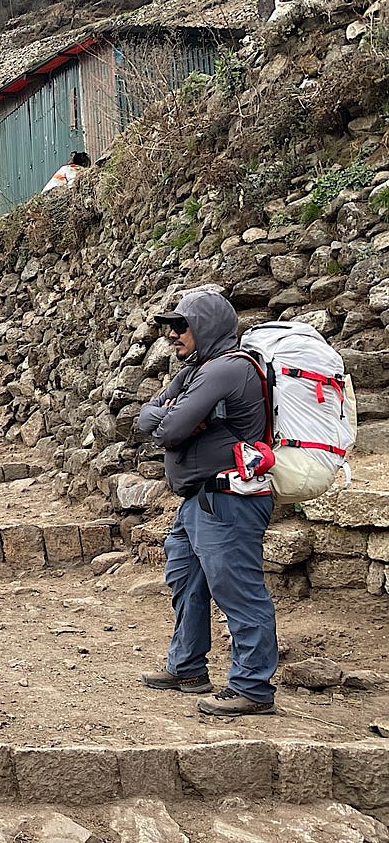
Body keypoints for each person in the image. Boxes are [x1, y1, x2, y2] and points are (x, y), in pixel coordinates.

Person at [134, 291, 278, 716]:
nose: (172, 334)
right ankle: (188, 668)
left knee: (239, 593)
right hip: (198, 501)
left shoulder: (228, 369)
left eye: (182, 325)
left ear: (207, 326)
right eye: (170, 326)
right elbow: (145, 418)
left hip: (228, 501)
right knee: (186, 580)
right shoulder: (196, 370)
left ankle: (252, 688)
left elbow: (167, 430)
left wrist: (171, 417)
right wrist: (169, 416)